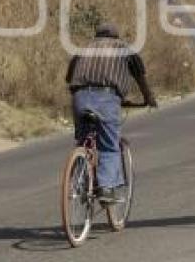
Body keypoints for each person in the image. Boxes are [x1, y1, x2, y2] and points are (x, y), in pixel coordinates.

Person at [66, 23, 158, 203]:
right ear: (116, 37)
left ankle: (82, 178)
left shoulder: (83, 49)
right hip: (106, 98)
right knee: (109, 144)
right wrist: (149, 98)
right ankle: (106, 188)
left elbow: (69, 78)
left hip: (80, 96)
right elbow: (140, 76)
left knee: (83, 141)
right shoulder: (123, 48)